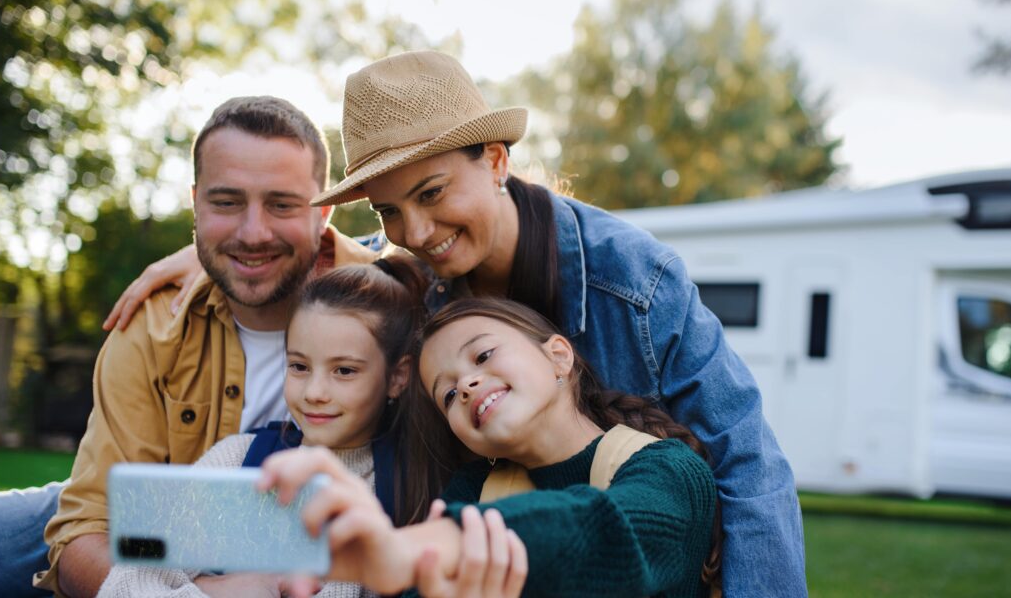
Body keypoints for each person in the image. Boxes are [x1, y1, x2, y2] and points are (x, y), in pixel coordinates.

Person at [107, 51, 807, 596]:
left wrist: (406, 552)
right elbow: (338, 272)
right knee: (27, 528)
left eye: (432, 193)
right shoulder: (420, 318)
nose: (415, 230)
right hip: (343, 514)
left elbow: (738, 467)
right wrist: (221, 254)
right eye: (387, 211)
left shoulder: (636, 294)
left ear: (496, 160)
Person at [35, 95, 381, 598]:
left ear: (322, 212)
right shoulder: (151, 326)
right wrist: (208, 591)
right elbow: (86, 532)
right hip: (155, 535)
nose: (253, 232)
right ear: (196, 203)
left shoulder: (390, 303)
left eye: (282, 204)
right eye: (226, 202)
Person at [97, 260, 527, 598]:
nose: (315, 392)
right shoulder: (242, 462)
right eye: (299, 366)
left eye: (344, 371)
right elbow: (124, 585)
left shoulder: (417, 485)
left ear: (398, 377)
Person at [259, 297, 719, 597]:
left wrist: (415, 551)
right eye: (446, 393)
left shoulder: (670, 471)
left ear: (559, 355)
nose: (466, 385)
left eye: (482, 356)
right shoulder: (470, 491)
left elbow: (608, 531)